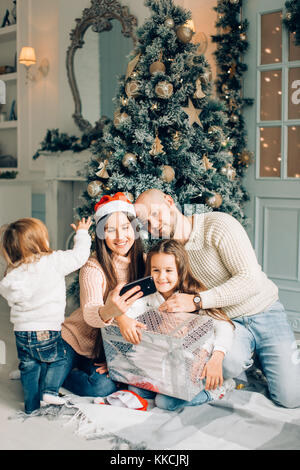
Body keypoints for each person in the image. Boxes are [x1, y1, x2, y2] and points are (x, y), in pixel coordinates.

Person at [134, 189, 300, 408]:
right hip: (225, 323)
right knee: (227, 361)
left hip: (264, 311)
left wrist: (197, 301)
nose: (152, 226)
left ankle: (268, 355)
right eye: (145, 223)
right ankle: (243, 364)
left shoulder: (218, 225)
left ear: (169, 200)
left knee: (290, 398)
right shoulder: (168, 255)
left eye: (155, 214)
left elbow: (251, 280)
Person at [115, 238, 235, 410]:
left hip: (192, 364)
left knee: (165, 402)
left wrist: (217, 356)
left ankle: (219, 389)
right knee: (136, 389)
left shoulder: (192, 294)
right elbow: (125, 313)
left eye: (169, 270)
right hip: (162, 364)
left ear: (180, 271)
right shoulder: (148, 297)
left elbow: (224, 325)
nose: (162, 277)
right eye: (156, 270)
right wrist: (121, 318)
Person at [0, 216, 92, 414]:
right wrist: (82, 233)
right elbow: (80, 256)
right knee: (59, 358)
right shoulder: (53, 261)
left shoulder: (13, 273)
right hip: (47, 329)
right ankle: (50, 391)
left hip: (22, 332)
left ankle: (31, 406)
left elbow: (10, 296)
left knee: (29, 365)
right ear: (41, 242)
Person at [60, 192, 146, 398]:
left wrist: (118, 361)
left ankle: (57, 369)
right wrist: (117, 314)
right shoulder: (93, 265)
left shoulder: (145, 262)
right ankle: (50, 369)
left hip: (103, 348)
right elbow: (90, 313)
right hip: (74, 339)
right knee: (45, 383)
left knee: (102, 388)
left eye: (125, 228)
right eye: (110, 230)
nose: (120, 237)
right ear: (100, 234)